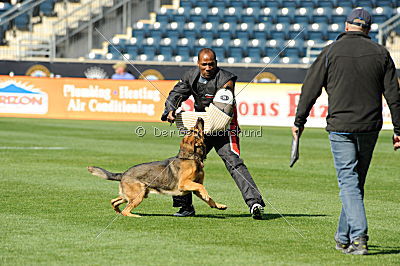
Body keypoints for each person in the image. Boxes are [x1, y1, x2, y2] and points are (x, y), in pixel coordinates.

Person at [292, 8, 400, 255]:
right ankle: (343, 238)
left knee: (349, 183)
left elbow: (310, 89)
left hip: (341, 127)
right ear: (369, 29)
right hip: (370, 127)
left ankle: (359, 237)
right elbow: (394, 96)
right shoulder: (381, 53)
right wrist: (399, 128)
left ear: (346, 25)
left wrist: (299, 121)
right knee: (355, 183)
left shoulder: (330, 52)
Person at [161, 48, 266, 219]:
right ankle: (185, 207)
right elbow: (176, 93)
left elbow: (224, 100)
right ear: (198, 64)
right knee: (183, 162)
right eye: (204, 64)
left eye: (211, 64)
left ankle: (255, 203)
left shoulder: (226, 79)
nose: (208, 68)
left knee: (234, 163)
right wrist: (170, 110)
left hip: (225, 126)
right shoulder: (190, 76)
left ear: (216, 63)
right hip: (202, 128)